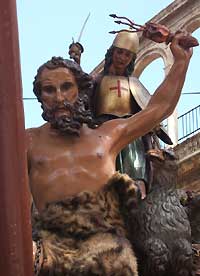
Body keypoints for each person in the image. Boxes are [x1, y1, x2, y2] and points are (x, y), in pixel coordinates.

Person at [27, 32, 192, 275]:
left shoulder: (107, 136)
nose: (59, 98)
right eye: (49, 90)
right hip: (52, 252)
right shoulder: (27, 141)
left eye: (66, 87)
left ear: (81, 91)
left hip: (109, 253)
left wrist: (180, 62)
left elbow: (159, 108)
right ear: (40, 97)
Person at [93, 31, 172, 198]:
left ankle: (141, 200)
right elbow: (83, 102)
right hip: (103, 132)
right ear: (112, 52)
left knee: (135, 169)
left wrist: (155, 128)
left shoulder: (134, 84)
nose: (122, 57)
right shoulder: (97, 81)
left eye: (127, 55)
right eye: (119, 52)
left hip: (130, 132)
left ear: (131, 59)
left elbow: (150, 110)